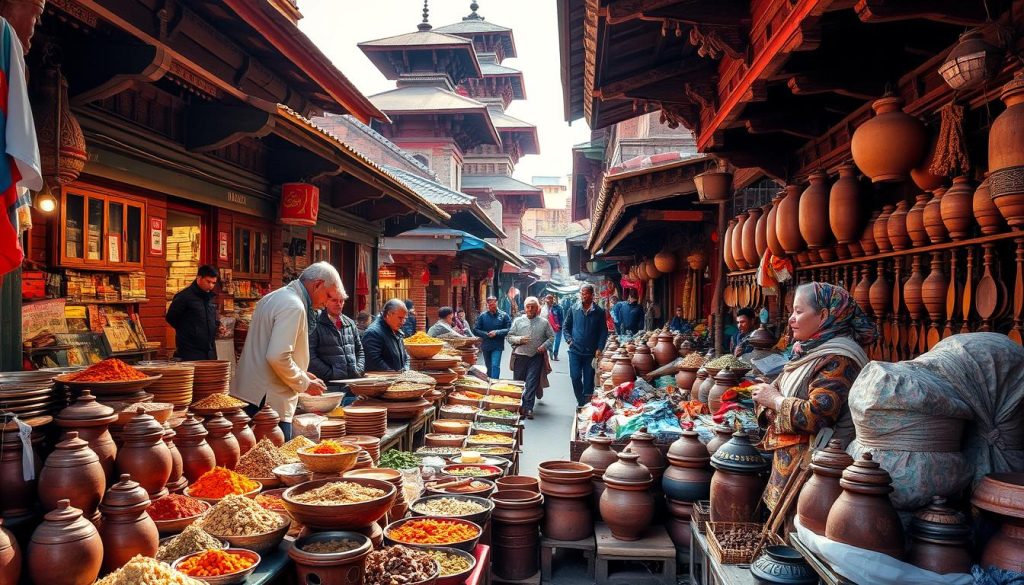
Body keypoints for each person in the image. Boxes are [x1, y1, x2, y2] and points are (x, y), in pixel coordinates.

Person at [749, 282, 876, 512]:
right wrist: (770, 401)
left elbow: (816, 416)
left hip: (817, 475)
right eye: (791, 312)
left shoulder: (839, 358)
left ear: (824, 315)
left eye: (799, 311)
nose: (790, 319)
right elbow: (767, 393)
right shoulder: (807, 352)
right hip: (792, 468)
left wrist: (776, 402)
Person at [233, 262, 339, 439]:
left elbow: (269, 348)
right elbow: (277, 356)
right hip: (268, 400)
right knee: (273, 462)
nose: (326, 303)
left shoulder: (273, 297)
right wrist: (304, 383)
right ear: (317, 284)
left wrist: (303, 374)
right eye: (328, 296)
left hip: (250, 392)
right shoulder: (294, 306)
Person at [308, 287, 364, 405]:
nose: (339, 304)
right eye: (334, 300)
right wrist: (330, 373)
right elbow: (310, 355)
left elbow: (360, 350)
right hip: (328, 387)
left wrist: (358, 369)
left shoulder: (350, 323)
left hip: (351, 386)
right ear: (325, 302)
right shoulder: (316, 323)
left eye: (341, 301)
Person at [507, 296, 554, 419]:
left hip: (535, 357)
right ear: (524, 308)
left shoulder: (544, 322)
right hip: (520, 356)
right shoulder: (518, 321)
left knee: (532, 382)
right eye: (528, 306)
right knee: (518, 383)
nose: (530, 309)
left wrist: (544, 346)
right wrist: (519, 339)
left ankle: (528, 408)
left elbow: (551, 337)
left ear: (538, 308)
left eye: (533, 307)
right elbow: (509, 337)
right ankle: (519, 407)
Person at [563, 283, 608, 407]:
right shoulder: (574, 308)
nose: (583, 296)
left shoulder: (599, 312)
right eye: (582, 293)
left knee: (589, 380)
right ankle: (580, 401)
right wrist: (569, 340)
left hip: (590, 352)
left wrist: (600, 347)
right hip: (575, 351)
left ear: (592, 295)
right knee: (575, 376)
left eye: (586, 293)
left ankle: (586, 404)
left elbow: (603, 331)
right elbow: (566, 327)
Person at [166, 264, 224, 360]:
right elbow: (171, 318)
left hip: (209, 350)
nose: (210, 286)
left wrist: (217, 326)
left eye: (213, 283)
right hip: (190, 350)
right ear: (199, 278)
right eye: (208, 282)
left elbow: (210, 318)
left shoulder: (210, 298)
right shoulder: (184, 296)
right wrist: (190, 330)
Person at [363, 299, 411, 372]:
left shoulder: (396, 330)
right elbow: (373, 361)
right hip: (382, 381)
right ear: (389, 314)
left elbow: (406, 356)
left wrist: (406, 370)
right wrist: (393, 374)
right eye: (400, 318)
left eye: (404, 319)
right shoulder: (373, 332)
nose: (403, 322)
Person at [473, 295, 512, 379]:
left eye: (493, 304)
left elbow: (510, 329)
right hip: (486, 345)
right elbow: (475, 329)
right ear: (487, 305)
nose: (491, 306)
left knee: (495, 365)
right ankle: (489, 382)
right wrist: (485, 334)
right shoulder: (482, 316)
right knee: (489, 366)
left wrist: (497, 332)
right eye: (489, 305)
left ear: (496, 303)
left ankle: (495, 383)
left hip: (497, 345)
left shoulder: (504, 315)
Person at [545, 294, 564, 361]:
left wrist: (560, 325)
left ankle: (555, 354)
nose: (548, 300)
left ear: (552, 299)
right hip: (549, 327)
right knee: (551, 341)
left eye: (550, 299)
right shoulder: (544, 308)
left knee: (557, 341)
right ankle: (551, 354)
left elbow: (561, 318)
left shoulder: (558, 308)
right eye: (547, 299)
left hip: (557, 327)